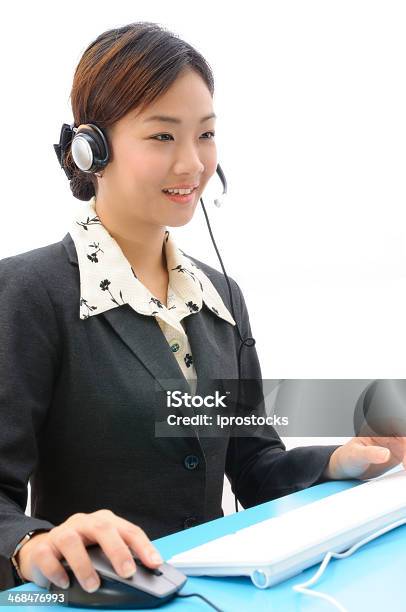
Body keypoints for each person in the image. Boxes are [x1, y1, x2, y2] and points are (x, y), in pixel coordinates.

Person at [0, 21, 403, 595]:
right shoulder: (30, 292)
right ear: (92, 148)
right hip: (95, 600)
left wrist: (339, 460)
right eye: (163, 137)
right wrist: (33, 542)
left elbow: (253, 461)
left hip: (217, 592)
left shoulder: (219, 296)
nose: (193, 164)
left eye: (206, 134)